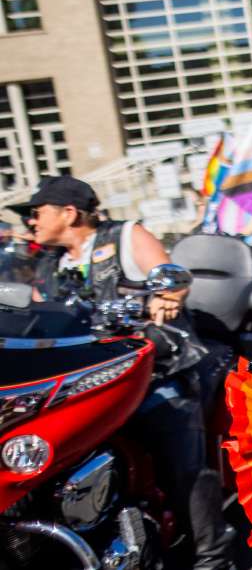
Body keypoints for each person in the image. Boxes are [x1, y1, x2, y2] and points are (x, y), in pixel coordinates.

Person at [11, 176, 235, 570]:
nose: (32, 221)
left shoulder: (124, 236)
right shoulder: (46, 263)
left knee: (175, 441)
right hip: (84, 378)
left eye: (37, 212)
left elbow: (171, 276)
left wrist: (165, 299)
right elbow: (31, 317)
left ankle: (212, 556)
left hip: (154, 369)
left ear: (69, 212)